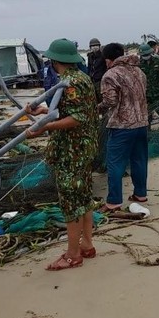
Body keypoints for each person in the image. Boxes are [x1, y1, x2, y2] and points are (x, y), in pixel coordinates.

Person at [25, 38, 99, 271]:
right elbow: (73, 110)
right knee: (84, 197)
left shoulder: (70, 83)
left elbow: (77, 118)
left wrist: (43, 127)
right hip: (84, 148)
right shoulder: (81, 78)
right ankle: (87, 245)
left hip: (72, 151)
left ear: (56, 61)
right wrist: (44, 111)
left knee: (70, 201)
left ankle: (72, 254)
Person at [97, 43, 149, 212]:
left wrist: (96, 108)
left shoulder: (110, 75)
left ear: (107, 60)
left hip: (121, 126)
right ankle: (140, 194)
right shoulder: (139, 72)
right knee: (139, 160)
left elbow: (110, 101)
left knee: (115, 164)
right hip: (141, 123)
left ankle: (113, 202)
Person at [87, 38, 106, 102]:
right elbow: (89, 68)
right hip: (92, 80)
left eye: (96, 45)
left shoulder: (103, 56)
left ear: (99, 46)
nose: (94, 47)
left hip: (100, 80)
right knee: (93, 98)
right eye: (93, 46)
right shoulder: (90, 56)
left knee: (101, 98)